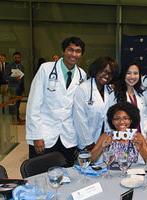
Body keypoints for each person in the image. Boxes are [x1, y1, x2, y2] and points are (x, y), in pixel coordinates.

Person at [26, 36, 87, 166]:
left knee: (67, 175)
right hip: (44, 134)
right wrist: (36, 135)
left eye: (78, 51)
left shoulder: (82, 75)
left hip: (68, 136)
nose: (74, 54)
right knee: (40, 175)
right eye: (70, 50)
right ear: (63, 51)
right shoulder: (46, 69)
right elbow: (33, 104)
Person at [73, 56, 118, 151]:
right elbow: (79, 119)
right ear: (96, 69)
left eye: (110, 73)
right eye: (104, 71)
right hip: (88, 143)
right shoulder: (83, 89)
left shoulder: (110, 91)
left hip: (106, 141)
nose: (106, 76)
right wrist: (88, 143)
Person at [114, 63, 147, 146]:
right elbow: (110, 120)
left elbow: (143, 115)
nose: (132, 76)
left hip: (140, 138)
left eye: (135, 73)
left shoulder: (140, 95)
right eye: (128, 73)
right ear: (123, 74)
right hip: (122, 139)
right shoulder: (115, 95)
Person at [7, 52, 25, 122]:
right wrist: (14, 78)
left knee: (18, 104)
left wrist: (23, 88)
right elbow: (6, 76)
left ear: (20, 58)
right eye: (15, 57)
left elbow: (23, 77)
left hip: (20, 87)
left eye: (18, 57)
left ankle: (17, 117)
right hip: (13, 87)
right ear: (13, 58)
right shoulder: (9, 66)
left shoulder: (22, 66)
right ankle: (16, 118)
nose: (17, 59)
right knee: (15, 104)